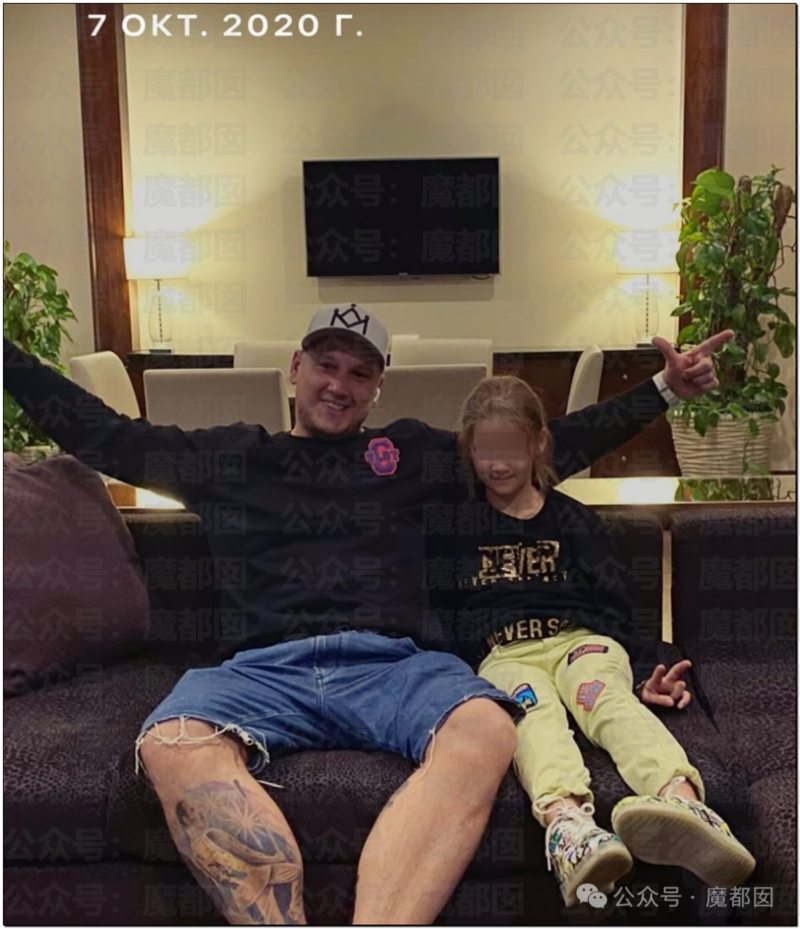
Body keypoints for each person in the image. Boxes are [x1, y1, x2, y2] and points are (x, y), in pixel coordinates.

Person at [3, 305, 730, 925]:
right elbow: (109, 436)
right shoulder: (233, 457)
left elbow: (535, 451)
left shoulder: (408, 455)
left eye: (359, 372)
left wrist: (663, 388)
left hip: (395, 664)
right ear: (295, 368)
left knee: (486, 727)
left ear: (377, 386)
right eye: (326, 365)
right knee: (170, 741)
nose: (339, 384)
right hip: (262, 670)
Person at [430, 374, 755, 908]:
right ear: (468, 451)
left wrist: (646, 670)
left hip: (581, 642)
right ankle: (569, 828)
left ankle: (685, 803)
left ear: (539, 444)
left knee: (604, 699)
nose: (499, 464)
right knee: (530, 715)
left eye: (511, 449)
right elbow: (443, 610)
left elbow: (618, 604)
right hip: (505, 655)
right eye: (486, 451)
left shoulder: (574, 520)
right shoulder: (454, 528)